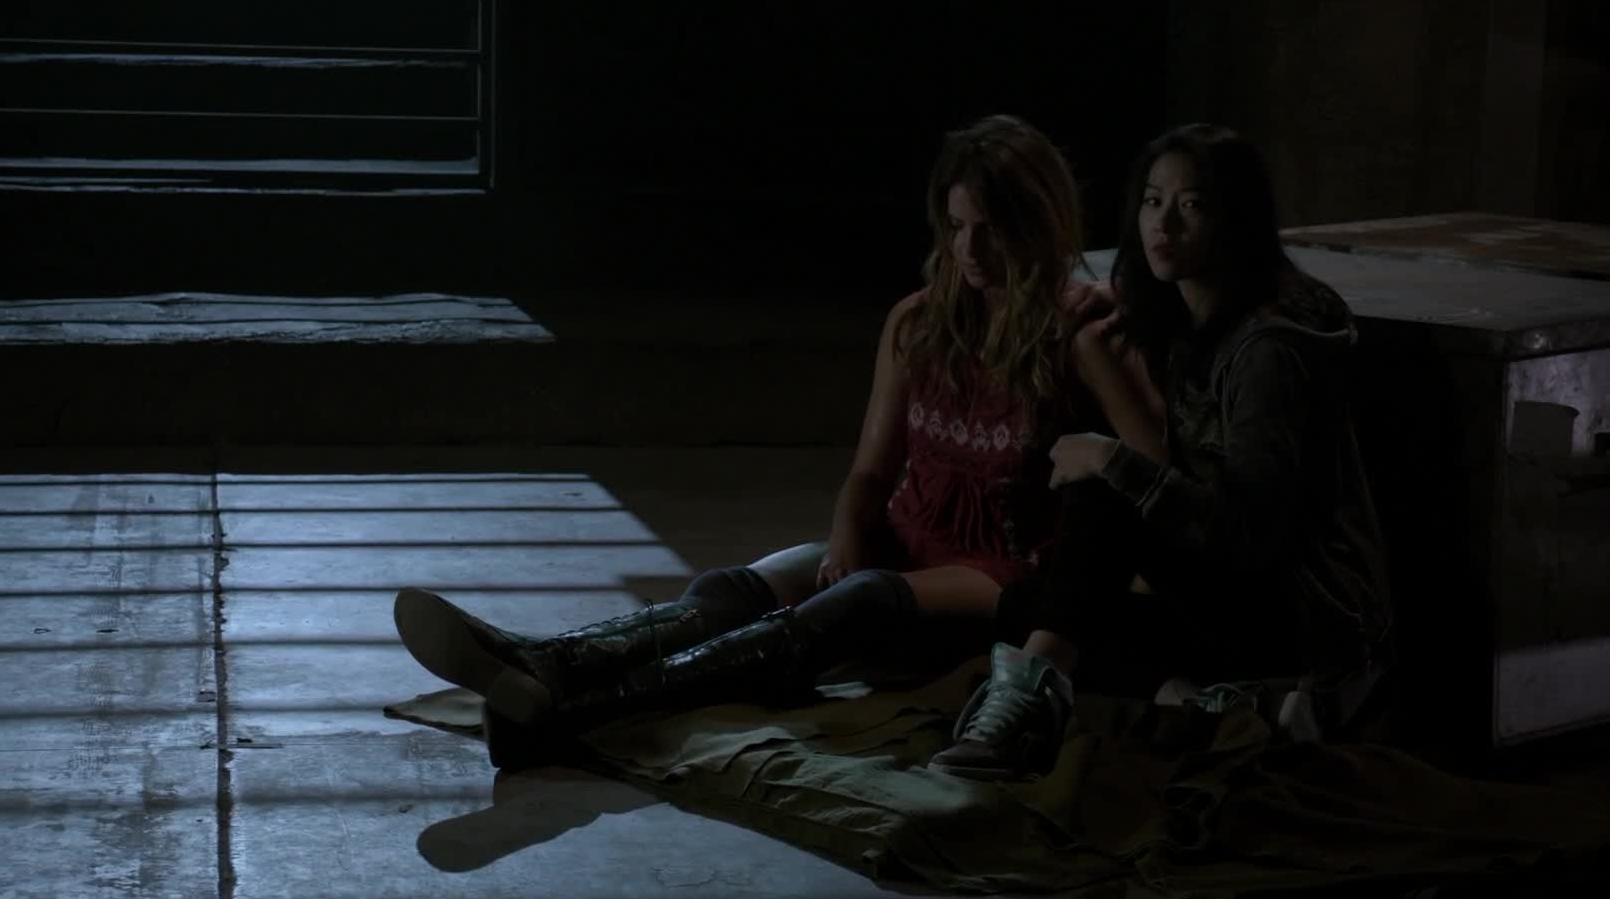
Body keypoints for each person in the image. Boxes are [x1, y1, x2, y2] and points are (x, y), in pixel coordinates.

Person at [394, 114, 1144, 769]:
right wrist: (847, 533)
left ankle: (572, 715)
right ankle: (544, 661)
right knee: (732, 591)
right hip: (911, 533)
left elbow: (1151, 462)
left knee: (856, 602)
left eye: (992, 229)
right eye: (956, 226)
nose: (970, 248)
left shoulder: (1081, 330)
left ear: (1037, 225)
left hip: (1001, 569)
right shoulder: (920, 322)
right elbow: (870, 473)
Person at [926, 123, 1393, 781]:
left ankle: (1030, 713)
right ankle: (1207, 701)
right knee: (1036, 605)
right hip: (1244, 602)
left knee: (1099, 498)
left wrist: (1114, 464)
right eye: (1152, 201)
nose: (1163, 224)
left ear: (1235, 219)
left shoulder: (1269, 351)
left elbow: (1247, 534)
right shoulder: (1187, 317)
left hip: (1311, 615)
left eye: (1191, 205)